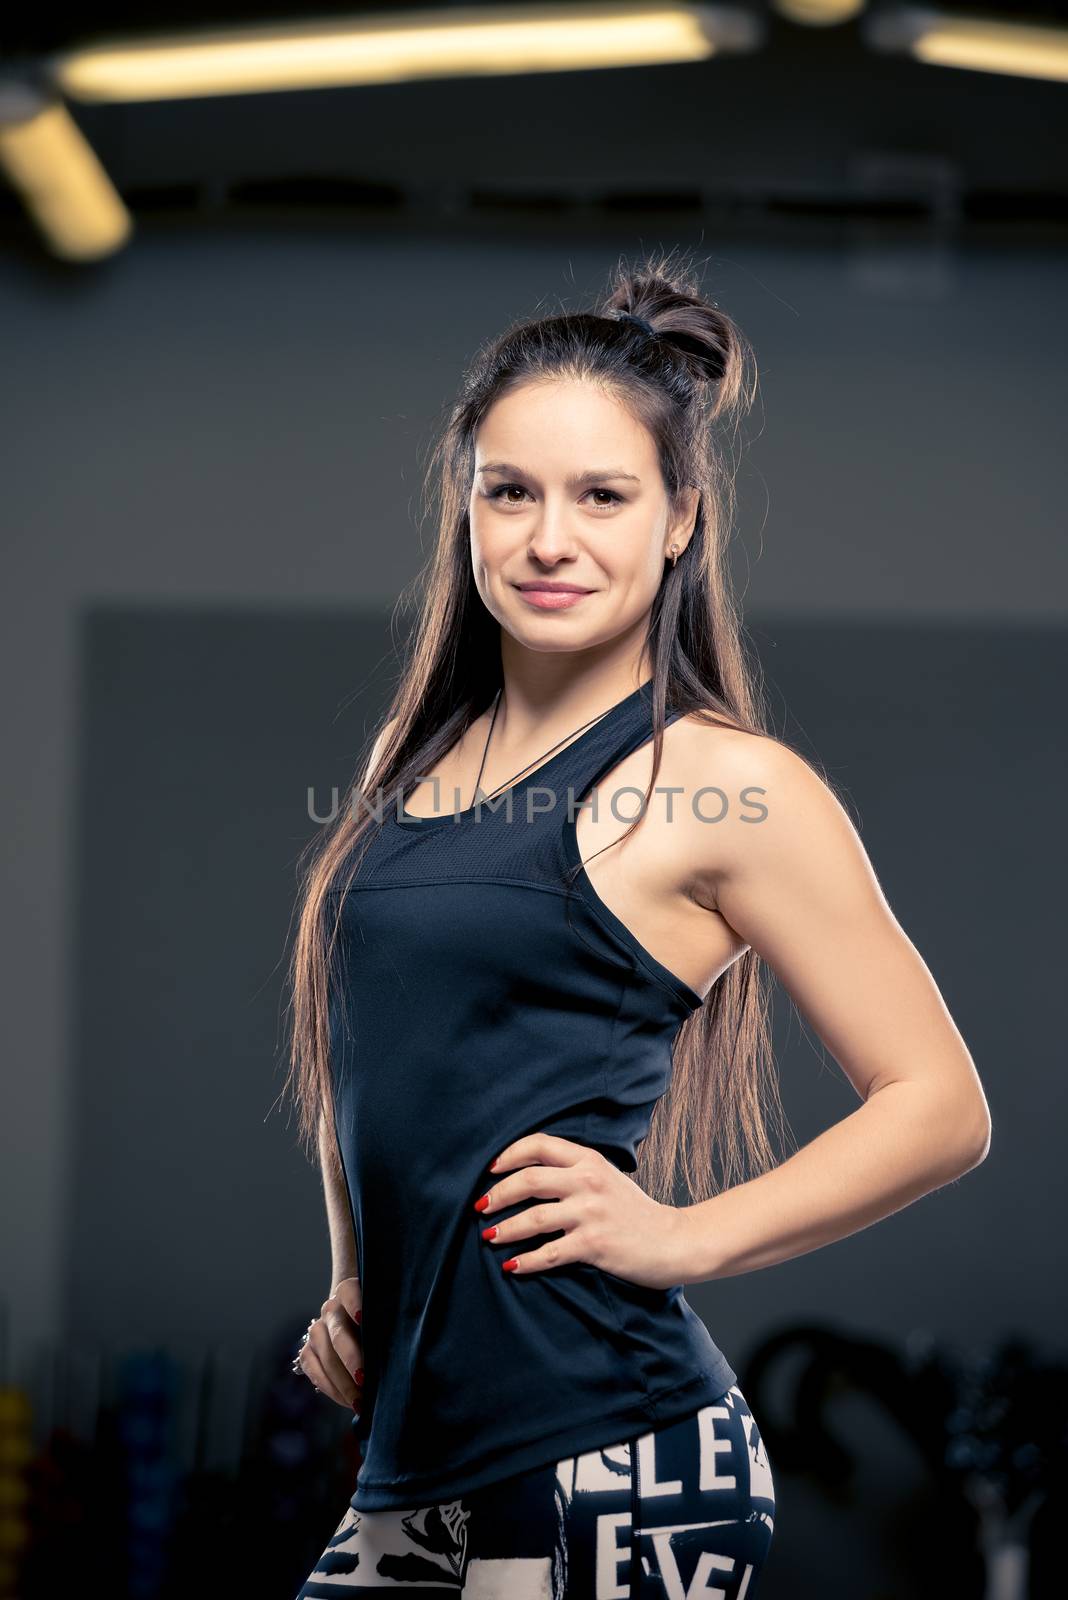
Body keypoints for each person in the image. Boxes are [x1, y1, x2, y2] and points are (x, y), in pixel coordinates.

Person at [281, 249, 991, 1597]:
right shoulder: (410, 754)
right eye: (511, 493)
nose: (551, 538)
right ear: (466, 509)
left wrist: (685, 1235)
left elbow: (941, 1106)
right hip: (415, 1455)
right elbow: (370, 1058)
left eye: (603, 496)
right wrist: (351, 1282)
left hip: (606, 1454)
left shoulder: (727, 786)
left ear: (679, 521)